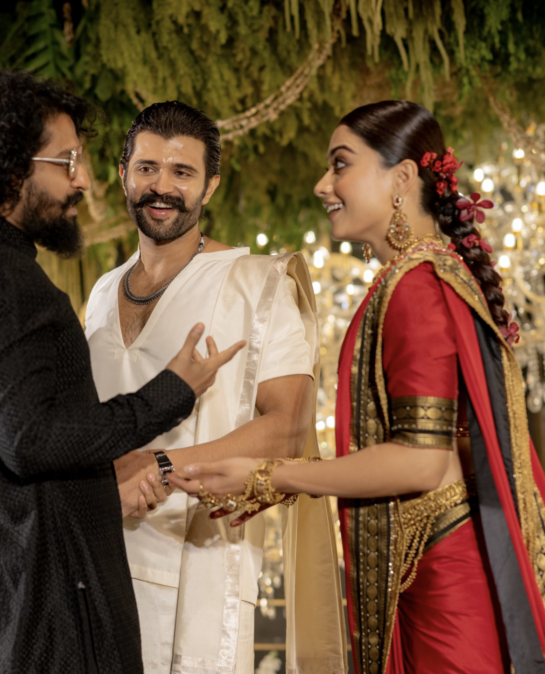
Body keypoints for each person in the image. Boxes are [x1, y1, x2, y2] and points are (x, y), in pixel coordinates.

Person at [171, 100, 545, 674]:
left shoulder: (416, 286)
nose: (322, 184)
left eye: (341, 164)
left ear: (402, 178)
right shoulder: (425, 275)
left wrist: (270, 475)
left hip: (445, 585)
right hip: (435, 564)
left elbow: (421, 461)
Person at [0, 69, 245, 674]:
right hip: (45, 616)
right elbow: (31, 439)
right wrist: (172, 392)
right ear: (12, 169)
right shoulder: (2, 277)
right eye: (67, 162)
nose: (83, 180)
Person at [83, 101, 346, 673]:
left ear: (211, 185)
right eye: (147, 168)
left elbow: (288, 428)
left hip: (197, 563)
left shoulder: (258, 281)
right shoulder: (102, 292)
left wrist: (159, 466)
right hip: (94, 558)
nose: (162, 187)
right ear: (123, 174)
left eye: (182, 172)